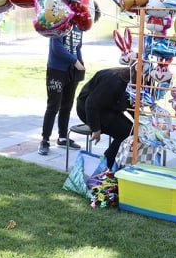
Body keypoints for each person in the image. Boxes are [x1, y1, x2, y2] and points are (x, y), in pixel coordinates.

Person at [38, 27, 86, 156]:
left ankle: (63, 138)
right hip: (57, 69)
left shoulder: (80, 27)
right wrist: (75, 61)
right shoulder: (60, 23)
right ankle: (45, 140)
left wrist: (80, 62)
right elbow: (57, 48)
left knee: (67, 106)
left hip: (72, 71)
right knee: (53, 106)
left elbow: (77, 47)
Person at [75, 67, 134, 170]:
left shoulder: (129, 79)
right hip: (88, 110)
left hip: (107, 108)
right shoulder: (113, 81)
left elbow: (130, 103)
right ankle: (106, 167)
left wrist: (141, 121)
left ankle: (113, 164)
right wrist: (96, 129)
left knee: (132, 130)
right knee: (126, 133)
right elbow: (91, 104)